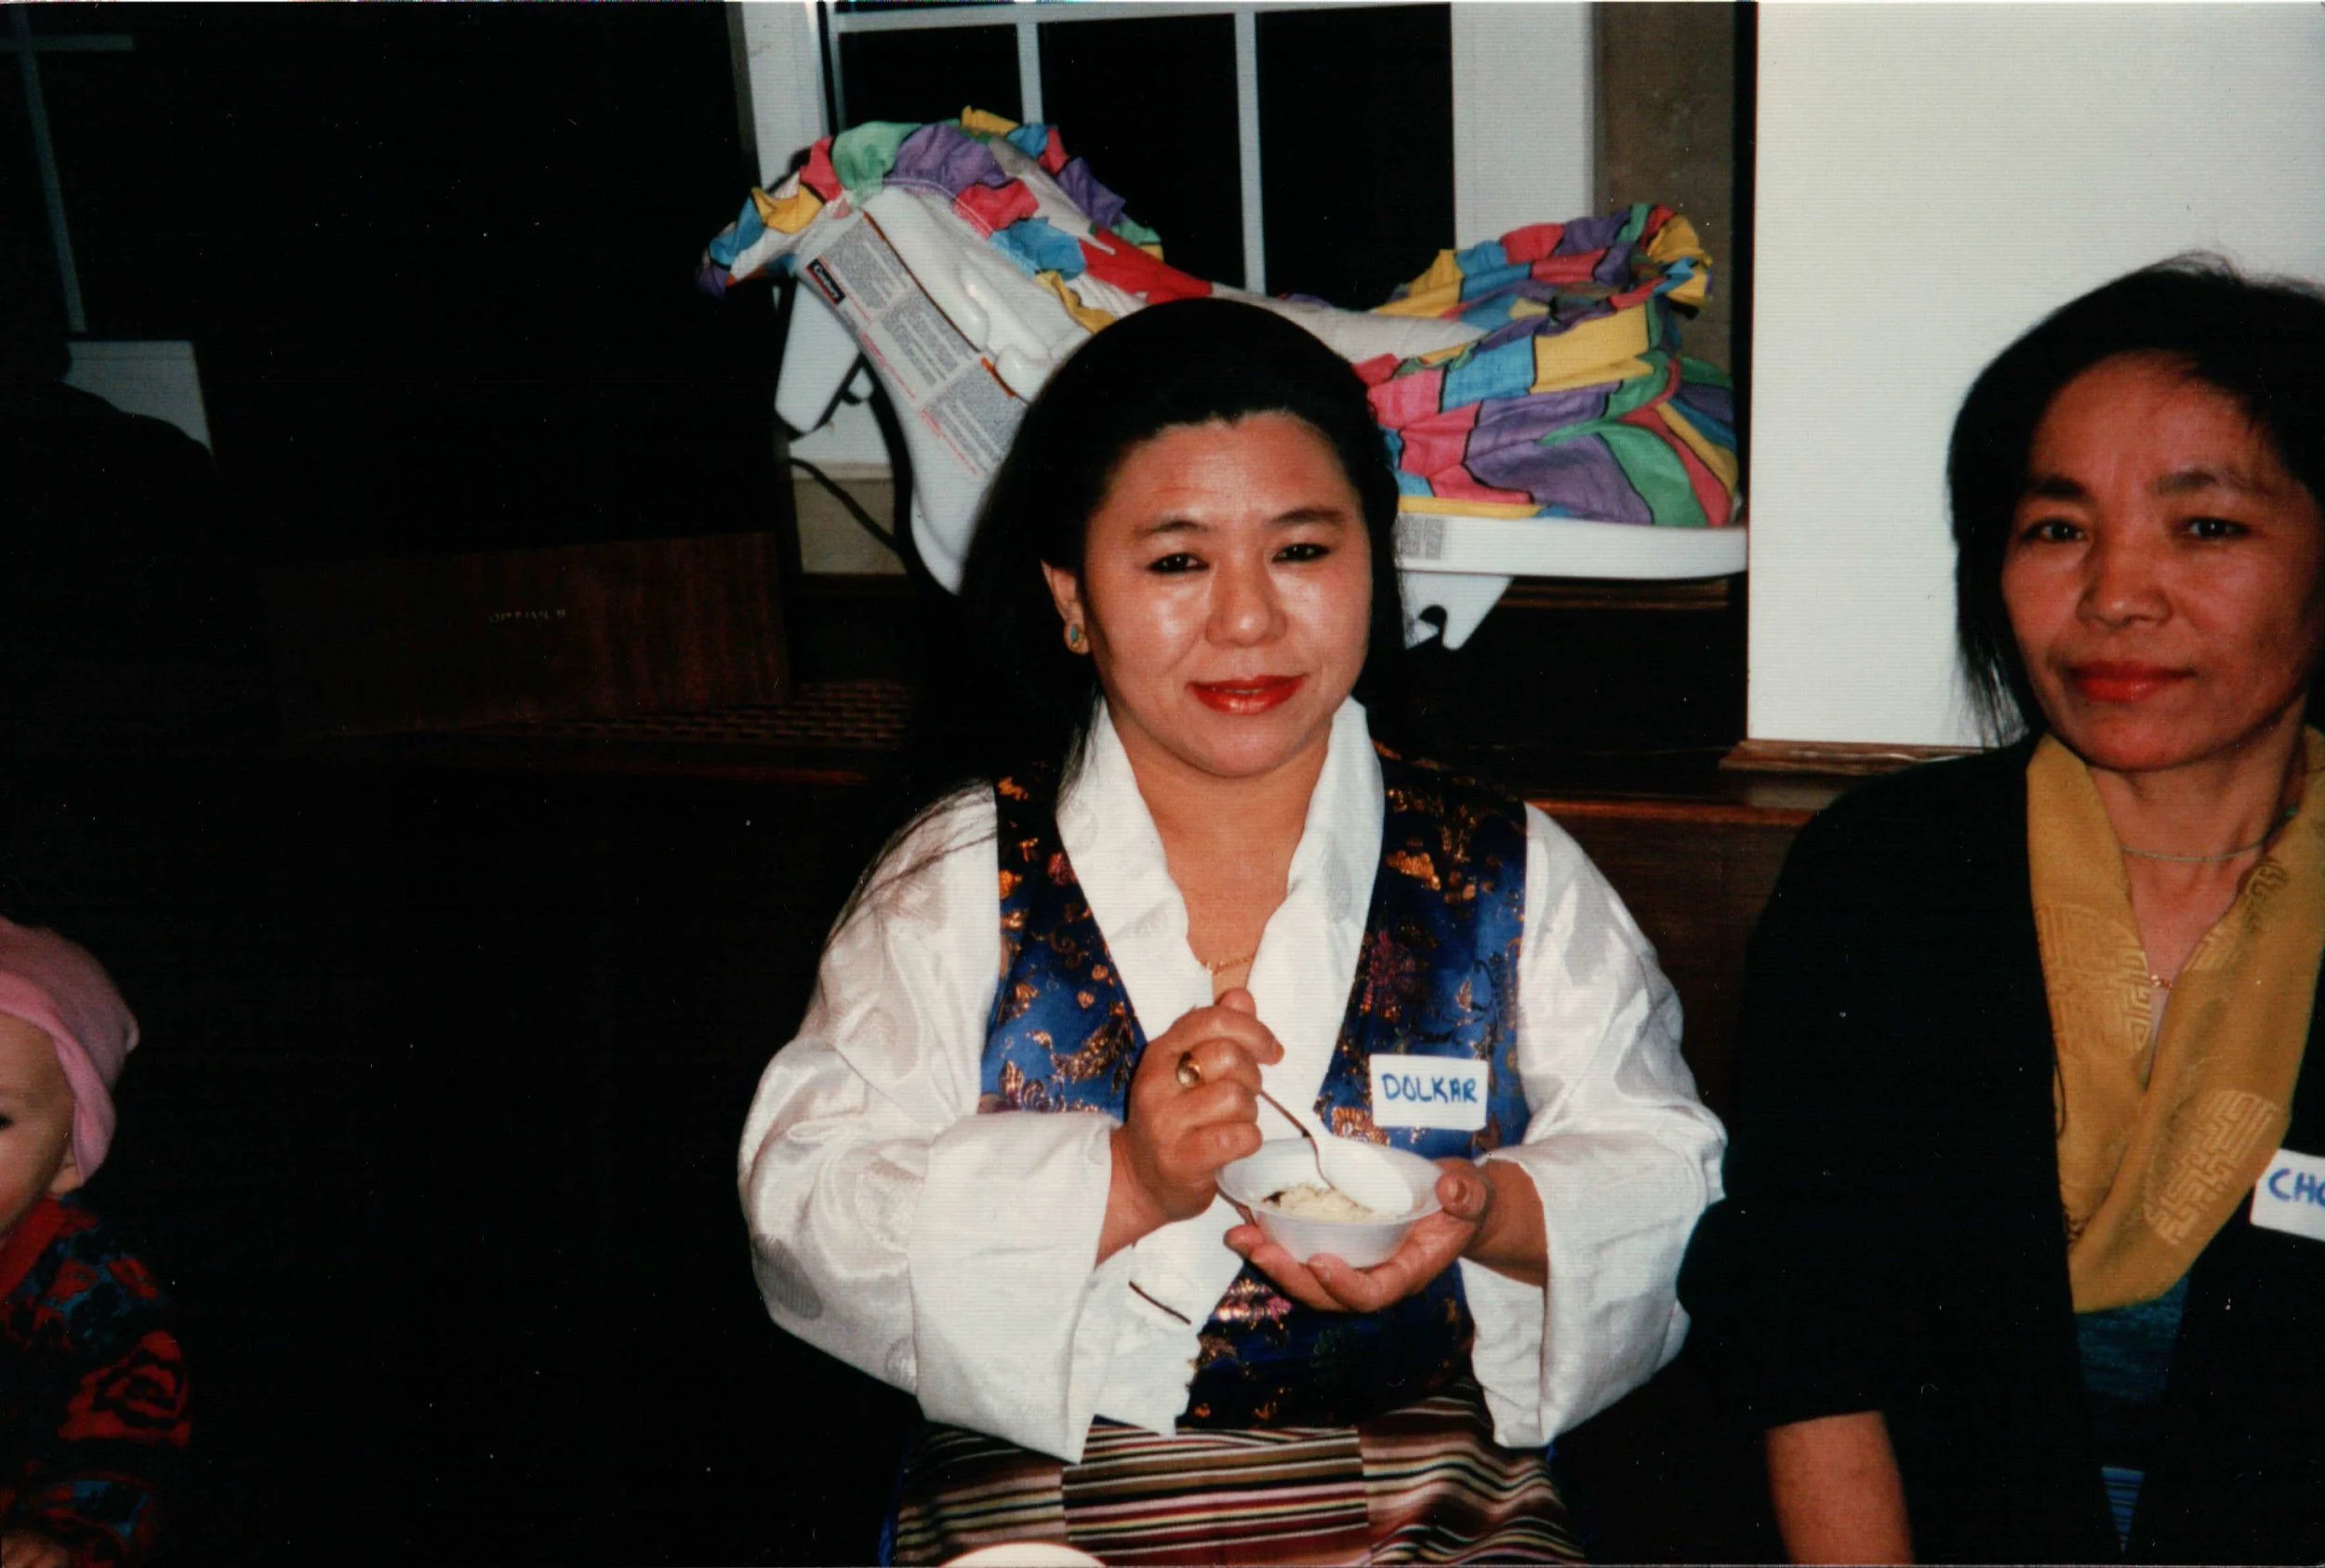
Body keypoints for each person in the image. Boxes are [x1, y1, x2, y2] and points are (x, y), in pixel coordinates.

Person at [738, 299, 1722, 1563]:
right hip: (1053, 1485)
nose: (1248, 620)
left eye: (1303, 552)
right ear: (1071, 596)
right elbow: (805, 1201)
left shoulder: (1502, 867)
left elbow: (1672, 1164)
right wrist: (1124, 1183)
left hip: (1430, 1487)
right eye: (1176, 561)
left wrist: (1488, 1207)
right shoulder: (959, 880)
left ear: (1378, 561)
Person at [1679, 259, 2325, 1563]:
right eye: (2057, 526)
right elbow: (1812, 1351)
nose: (2115, 595)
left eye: (2206, 527)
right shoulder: (1888, 878)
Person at [0, 918, 188, 1568]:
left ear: (69, 1158)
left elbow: (128, 1446)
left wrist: (64, 1538)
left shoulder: (92, 1292)